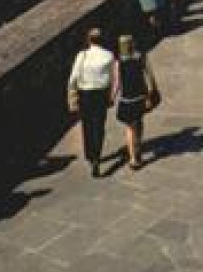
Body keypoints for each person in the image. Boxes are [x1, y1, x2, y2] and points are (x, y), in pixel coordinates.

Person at [67, 28, 115, 177]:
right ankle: (96, 157)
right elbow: (110, 77)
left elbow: (74, 77)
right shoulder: (108, 55)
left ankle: (90, 154)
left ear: (89, 40)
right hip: (101, 93)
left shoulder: (82, 55)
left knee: (87, 124)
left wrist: (71, 92)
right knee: (99, 126)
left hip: (85, 93)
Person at [112, 35, 158, 170]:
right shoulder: (141, 57)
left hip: (127, 99)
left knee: (130, 128)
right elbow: (149, 76)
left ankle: (133, 158)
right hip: (140, 97)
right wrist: (152, 91)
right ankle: (138, 148)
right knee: (139, 123)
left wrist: (112, 98)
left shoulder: (118, 62)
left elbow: (117, 83)